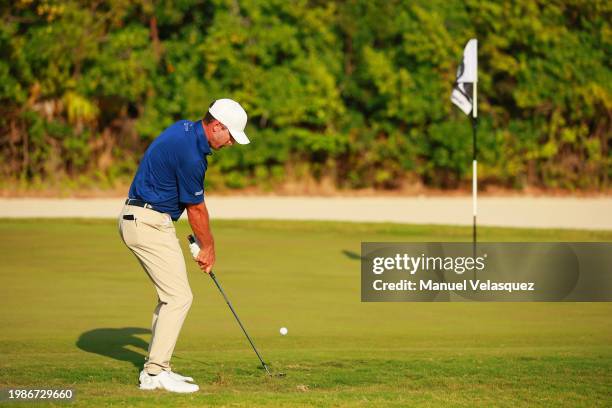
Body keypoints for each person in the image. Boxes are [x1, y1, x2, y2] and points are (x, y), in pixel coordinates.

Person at [118, 99, 250, 393]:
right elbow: (197, 210)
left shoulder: (184, 130)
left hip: (144, 218)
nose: (230, 143)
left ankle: (158, 367)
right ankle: (154, 373)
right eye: (230, 136)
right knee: (179, 297)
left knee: (171, 296)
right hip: (148, 221)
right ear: (217, 126)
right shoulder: (192, 155)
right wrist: (209, 248)